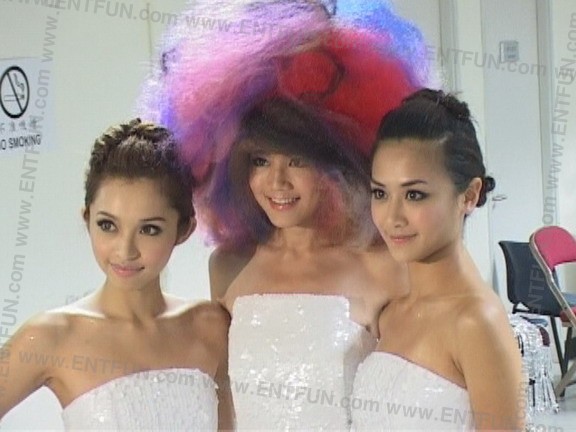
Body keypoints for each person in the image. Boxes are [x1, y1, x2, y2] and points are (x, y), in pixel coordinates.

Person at [139, 1, 432, 428]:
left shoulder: (383, 265)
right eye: (259, 160)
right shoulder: (229, 266)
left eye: (296, 160)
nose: (276, 182)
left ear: (335, 161)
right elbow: (228, 401)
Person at [0, 119, 232, 430]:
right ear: (87, 220)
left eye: (149, 229)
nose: (125, 250)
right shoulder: (52, 336)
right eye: (108, 225)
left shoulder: (210, 327)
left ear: (183, 230)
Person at [351, 89, 525, 431]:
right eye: (380, 193)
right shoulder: (390, 312)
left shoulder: (476, 322)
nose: (392, 217)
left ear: (469, 195)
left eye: (414, 195)